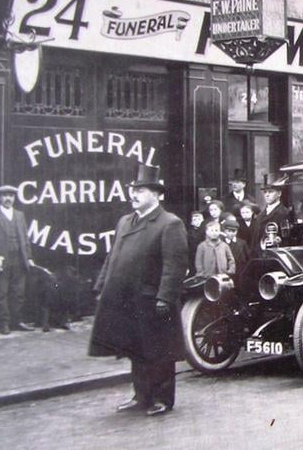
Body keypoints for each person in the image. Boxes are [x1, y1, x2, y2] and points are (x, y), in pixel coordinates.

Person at [89, 164, 188, 417]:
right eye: (133, 190)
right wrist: (102, 286)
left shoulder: (170, 223)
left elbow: (174, 266)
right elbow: (113, 256)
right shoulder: (125, 221)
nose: (133, 195)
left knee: (159, 351)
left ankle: (162, 398)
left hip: (153, 300)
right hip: (127, 299)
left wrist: (165, 297)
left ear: (156, 195)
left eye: (140, 191)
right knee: (136, 350)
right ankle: (141, 396)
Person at [0, 184, 34, 334]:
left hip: (19, 258)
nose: (8, 198)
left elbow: (25, 238)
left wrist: (29, 257)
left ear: (14, 198)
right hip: (1, 260)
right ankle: (3, 323)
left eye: (10, 195)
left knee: (18, 292)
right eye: (4, 195)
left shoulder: (19, 215)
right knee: (1, 293)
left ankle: (17, 321)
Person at [251, 184, 291, 251]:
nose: (267, 195)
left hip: (275, 254)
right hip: (259, 255)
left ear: (279, 193)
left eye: (270, 192)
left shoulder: (284, 213)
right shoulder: (260, 215)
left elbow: (287, 238)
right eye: (265, 192)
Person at [186, 210, 206, 276]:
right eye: (195, 220)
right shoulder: (189, 233)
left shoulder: (207, 231)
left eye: (199, 219)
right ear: (191, 222)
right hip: (193, 257)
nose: (197, 221)